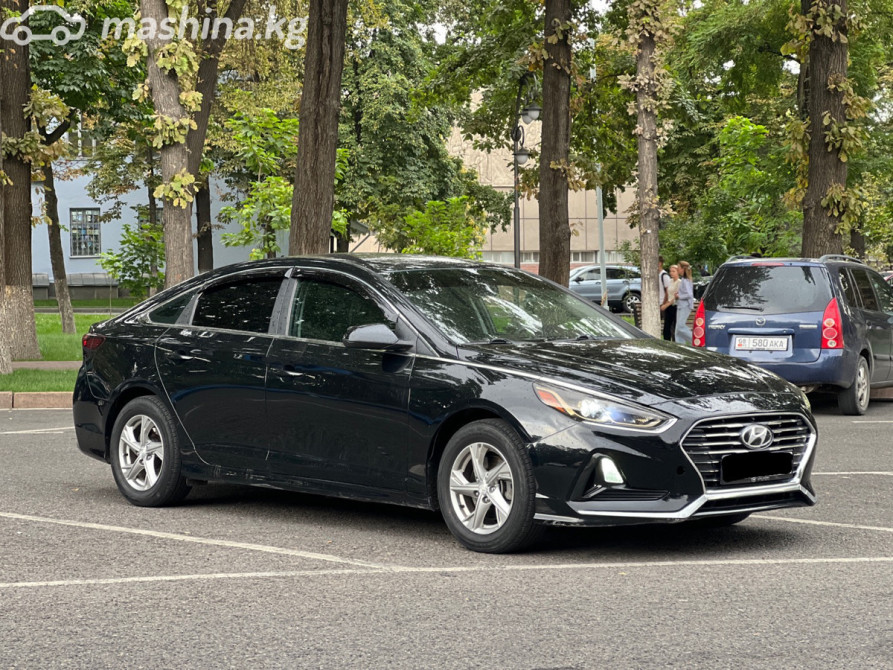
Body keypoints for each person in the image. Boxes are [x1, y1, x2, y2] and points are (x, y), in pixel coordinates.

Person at [675, 261, 694, 345]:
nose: (677, 269)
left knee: (680, 327)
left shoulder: (686, 280)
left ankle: (696, 341)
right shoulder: (684, 279)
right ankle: (680, 346)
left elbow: (689, 294)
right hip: (681, 305)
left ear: (683, 269)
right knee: (678, 330)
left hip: (685, 306)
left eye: (678, 267)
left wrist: (679, 296)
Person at [661, 264, 680, 341]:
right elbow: (667, 293)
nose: (671, 273)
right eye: (670, 271)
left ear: (678, 272)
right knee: (666, 327)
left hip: (675, 306)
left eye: (673, 271)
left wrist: (667, 305)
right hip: (668, 306)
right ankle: (666, 342)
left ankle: (675, 342)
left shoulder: (679, 282)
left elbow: (676, 296)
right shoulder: (670, 281)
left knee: (674, 326)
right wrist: (664, 303)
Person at [657, 255, 671, 335]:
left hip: (662, 303)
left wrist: (664, 303)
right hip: (658, 303)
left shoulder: (664, 275)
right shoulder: (657, 274)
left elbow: (667, 290)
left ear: (659, 263)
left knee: (667, 325)